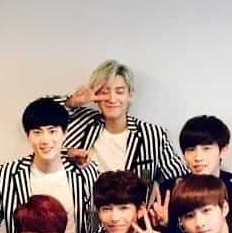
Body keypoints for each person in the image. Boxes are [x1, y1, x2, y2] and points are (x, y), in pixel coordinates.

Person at [52, 59, 187, 198]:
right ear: (95, 96)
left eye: (119, 92)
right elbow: (40, 114)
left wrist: (159, 208)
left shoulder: (153, 135)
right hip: (86, 210)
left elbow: (179, 178)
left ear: (130, 96)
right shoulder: (82, 122)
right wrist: (73, 102)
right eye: (105, 92)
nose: (112, 98)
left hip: (135, 211)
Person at [0, 97, 100, 233]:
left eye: (52, 131)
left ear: (65, 133)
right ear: (28, 136)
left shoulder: (85, 171)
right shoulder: (8, 174)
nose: (45, 140)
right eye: (37, 132)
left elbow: (100, 218)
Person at [163, 115, 232, 228]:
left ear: (223, 151)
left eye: (206, 149)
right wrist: (165, 226)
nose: (198, 157)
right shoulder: (169, 191)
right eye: (191, 149)